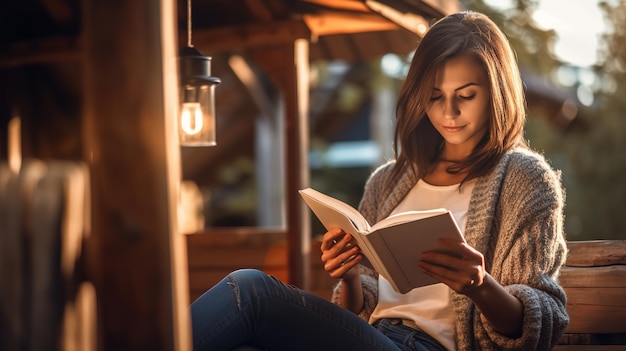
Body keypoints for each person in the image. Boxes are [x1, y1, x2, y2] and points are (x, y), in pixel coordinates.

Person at [190, 11, 569, 351]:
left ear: (496, 94)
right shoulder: (389, 181)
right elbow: (357, 310)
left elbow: (542, 324)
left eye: (466, 96)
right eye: (435, 96)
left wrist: (479, 285)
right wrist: (350, 274)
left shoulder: (524, 179)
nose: (448, 112)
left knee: (250, 292)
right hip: (372, 337)